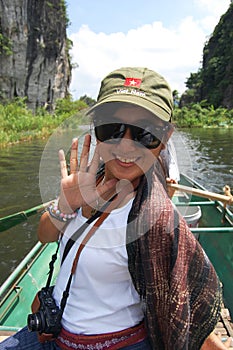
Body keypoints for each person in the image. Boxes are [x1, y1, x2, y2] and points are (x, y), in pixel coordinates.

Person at [1, 67, 231, 350]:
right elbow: (45, 235)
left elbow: (188, 313)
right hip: (53, 330)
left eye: (145, 133)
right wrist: (65, 205)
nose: (125, 144)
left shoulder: (158, 222)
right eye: (112, 128)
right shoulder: (85, 181)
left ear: (165, 137)